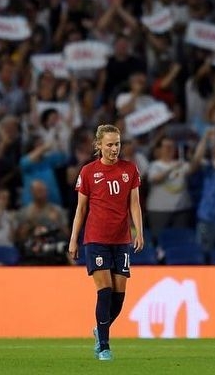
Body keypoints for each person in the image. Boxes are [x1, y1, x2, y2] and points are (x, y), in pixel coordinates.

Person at [68, 124, 144, 361]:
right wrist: (73, 240)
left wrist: (138, 232)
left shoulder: (129, 169)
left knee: (119, 299)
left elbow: (134, 204)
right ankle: (104, 346)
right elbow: (81, 209)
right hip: (96, 239)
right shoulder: (89, 172)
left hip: (121, 239)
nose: (114, 149)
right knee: (105, 292)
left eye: (117, 144)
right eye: (109, 144)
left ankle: (100, 329)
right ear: (98, 145)